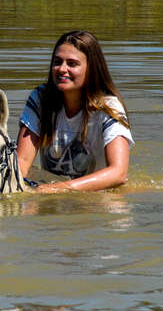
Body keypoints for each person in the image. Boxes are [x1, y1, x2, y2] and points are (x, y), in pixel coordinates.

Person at [16, 30, 134, 193]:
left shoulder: (109, 107)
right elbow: (21, 162)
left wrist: (58, 188)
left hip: (96, 199)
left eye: (72, 63)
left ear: (91, 68)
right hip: (49, 192)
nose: (62, 69)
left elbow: (118, 173)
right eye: (57, 62)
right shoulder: (40, 99)